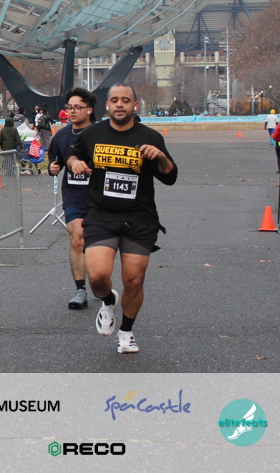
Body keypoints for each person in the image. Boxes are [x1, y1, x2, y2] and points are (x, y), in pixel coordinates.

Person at [67, 83, 178, 355]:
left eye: (125, 100)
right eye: (114, 100)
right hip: (101, 215)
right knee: (98, 277)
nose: (120, 104)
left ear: (134, 105)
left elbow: (170, 176)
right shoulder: (92, 133)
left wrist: (161, 157)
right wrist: (74, 163)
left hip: (139, 218)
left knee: (134, 280)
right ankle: (108, 300)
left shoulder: (150, 136)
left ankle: (126, 332)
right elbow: (73, 154)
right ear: (107, 105)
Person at [46, 87, 97, 310]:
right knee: (77, 237)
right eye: (69, 107)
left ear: (89, 110)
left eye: (78, 107)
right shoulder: (61, 137)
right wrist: (52, 168)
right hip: (74, 195)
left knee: (98, 245)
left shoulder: (101, 133)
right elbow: (53, 162)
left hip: (100, 197)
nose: (72, 111)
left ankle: (101, 283)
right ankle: (80, 290)